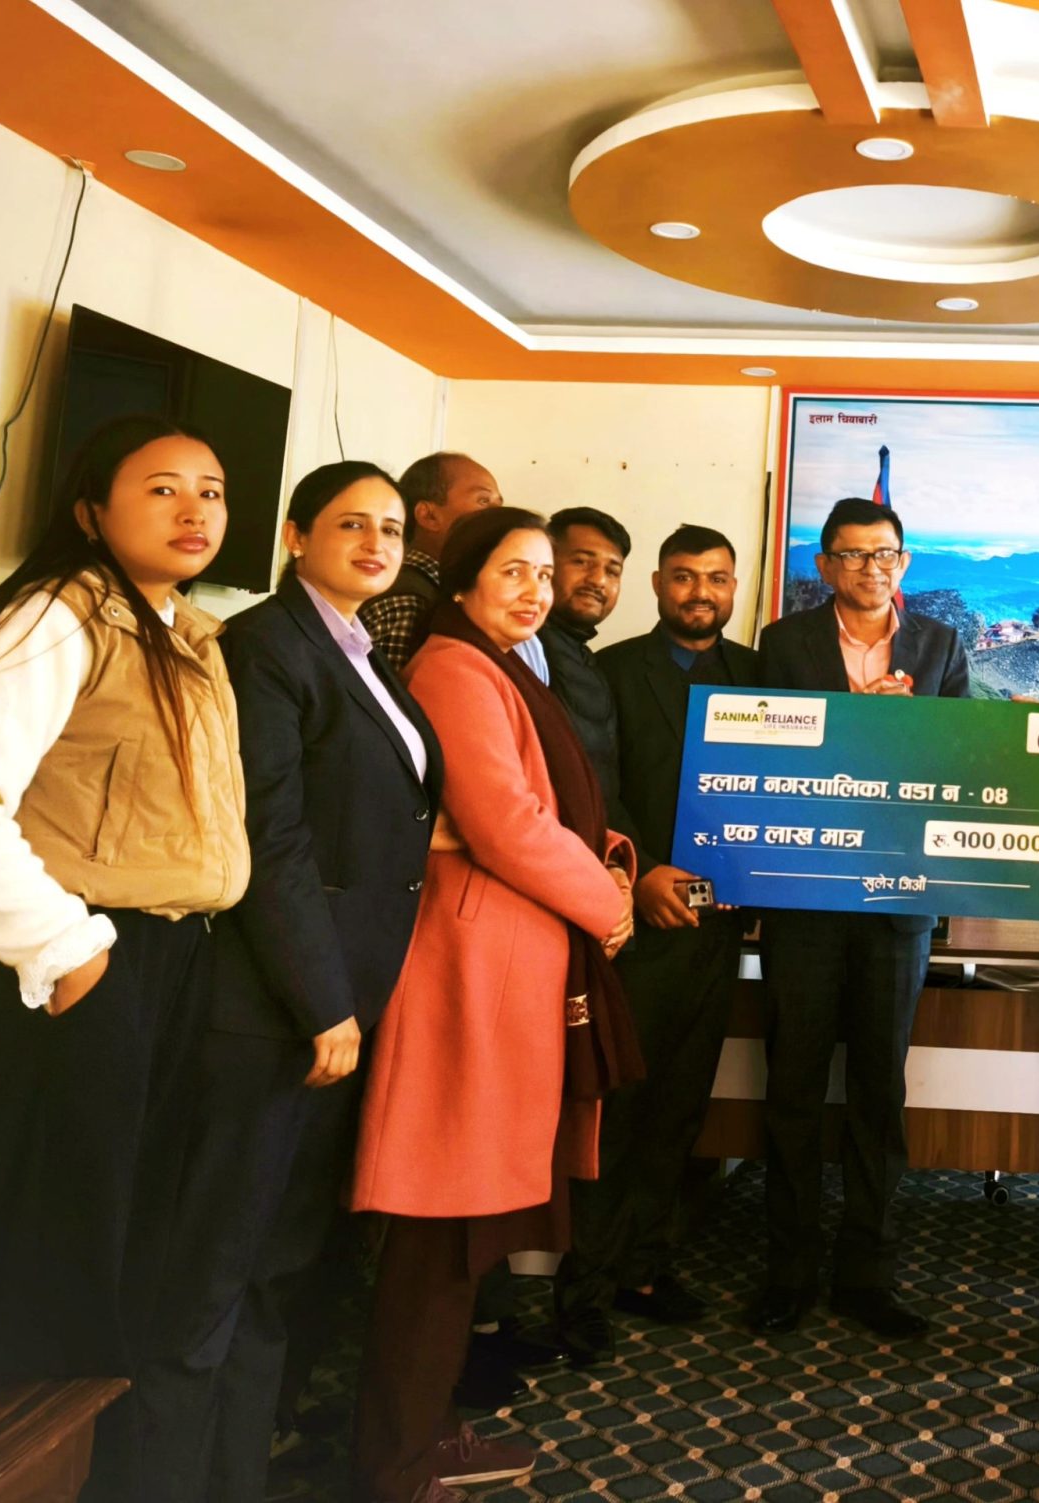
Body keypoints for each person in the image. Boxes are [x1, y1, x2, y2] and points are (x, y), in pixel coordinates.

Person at [0, 413, 249, 1501]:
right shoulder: (55, 615)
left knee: (127, 1270)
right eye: (162, 488)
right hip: (71, 968)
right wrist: (74, 954)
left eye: (211, 490)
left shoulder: (187, 634)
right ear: (91, 509)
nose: (195, 510)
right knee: (46, 1280)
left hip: (169, 967)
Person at [154, 461, 443, 1503]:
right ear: (293, 536)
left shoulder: (360, 650)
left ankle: (234, 1479)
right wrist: (323, 1001)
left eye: (392, 529)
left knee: (278, 1271)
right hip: (272, 1008)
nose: (376, 543)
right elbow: (270, 836)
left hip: (342, 1004)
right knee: (214, 1280)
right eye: (351, 524)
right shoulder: (268, 646)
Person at [349, 507, 642, 1503]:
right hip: (467, 973)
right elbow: (505, 821)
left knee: (461, 1232)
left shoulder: (504, 667)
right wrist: (606, 902)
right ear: (465, 579)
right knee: (437, 1230)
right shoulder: (455, 668)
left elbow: (547, 811)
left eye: (544, 576)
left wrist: (606, 865)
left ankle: (419, 1440)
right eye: (513, 571)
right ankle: (394, 1466)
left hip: (509, 964)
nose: (534, 591)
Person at [747, 496, 970, 1339]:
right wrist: (860, 722)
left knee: (879, 1094)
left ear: (903, 562)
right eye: (853, 554)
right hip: (803, 898)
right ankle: (788, 1272)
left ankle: (867, 1275)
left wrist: (904, 731)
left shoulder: (940, 646)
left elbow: (958, 760)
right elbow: (762, 756)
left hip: (896, 904)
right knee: (794, 1088)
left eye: (886, 554)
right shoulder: (784, 643)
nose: (872, 568)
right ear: (824, 566)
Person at [555, 524, 761, 1361]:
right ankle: (583, 1289)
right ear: (656, 584)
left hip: (720, 927)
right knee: (620, 1108)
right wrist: (635, 871)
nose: (700, 591)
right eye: (683, 576)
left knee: (681, 1106)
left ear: (735, 585)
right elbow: (593, 787)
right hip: (637, 926)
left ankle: (646, 1266)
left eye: (716, 577)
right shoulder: (610, 672)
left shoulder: (760, 676)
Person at [360, 451, 501, 671]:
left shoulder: (446, 587)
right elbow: (393, 692)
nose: (499, 515)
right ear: (429, 516)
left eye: (499, 505)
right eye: (483, 501)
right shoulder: (407, 604)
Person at [539, 505, 634, 818]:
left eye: (612, 571)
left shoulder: (588, 658)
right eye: (581, 562)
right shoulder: (523, 650)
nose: (598, 580)